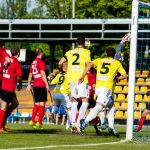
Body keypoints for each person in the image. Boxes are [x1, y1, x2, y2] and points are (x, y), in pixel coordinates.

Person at [80, 47, 128, 136]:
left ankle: (111, 127)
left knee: (112, 106)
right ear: (114, 55)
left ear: (106, 53)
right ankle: (85, 121)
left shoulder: (99, 60)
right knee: (99, 107)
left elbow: (89, 64)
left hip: (98, 88)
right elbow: (125, 75)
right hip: (106, 88)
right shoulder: (116, 63)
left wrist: (83, 75)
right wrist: (117, 78)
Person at [58, 35, 91, 132]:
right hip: (81, 79)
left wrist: (62, 70)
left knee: (74, 102)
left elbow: (60, 63)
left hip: (71, 79)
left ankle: (73, 123)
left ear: (76, 43)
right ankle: (78, 124)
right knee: (85, 101)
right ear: (84, 43)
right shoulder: (86, 52)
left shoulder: (69, 52)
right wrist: (83, 75)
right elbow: (89, 64)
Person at [0, 47, 22, 133]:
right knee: (3, 108)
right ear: (18, 53)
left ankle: (3, 120)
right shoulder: (16, 63)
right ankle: (0, 127)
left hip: (5, 86)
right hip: (8, 88)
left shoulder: (7, 60)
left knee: (15, 103)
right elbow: (19, 76)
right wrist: (19, 84)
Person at [26, 48, 49, 129]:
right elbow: (43, 73)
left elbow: (30, 74)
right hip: (41, 85)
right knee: (42, 104)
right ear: (41, 53)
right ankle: (39, 122)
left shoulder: (33, 63)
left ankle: (32, 120)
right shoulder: (41, 62)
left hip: (35, 85)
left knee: (36, 104)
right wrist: (47, 84)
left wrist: (29, 84)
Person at [50, 62, 72, 128]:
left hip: (56, 92)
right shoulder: (69, 75)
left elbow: (52, 82)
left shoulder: (59, 74)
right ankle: (70, 125)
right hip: (64, 93)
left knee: (57, 105)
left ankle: (53, 113)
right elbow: (70, 85)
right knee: (69, 109)